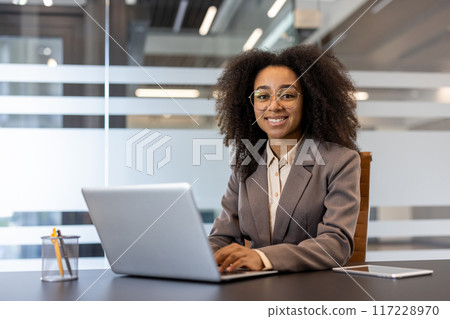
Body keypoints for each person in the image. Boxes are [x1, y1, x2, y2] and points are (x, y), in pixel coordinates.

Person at [208, 45, 361, 273]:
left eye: (287, 95)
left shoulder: (341, 161)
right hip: (254, 291)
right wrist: (200, 256)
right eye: (263, 96)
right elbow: (223, 236)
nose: (274, 105)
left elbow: (336, 244)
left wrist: (262, 257)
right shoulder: (246, 165)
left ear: (308, 101)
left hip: (312, 291)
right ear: (251, 105)